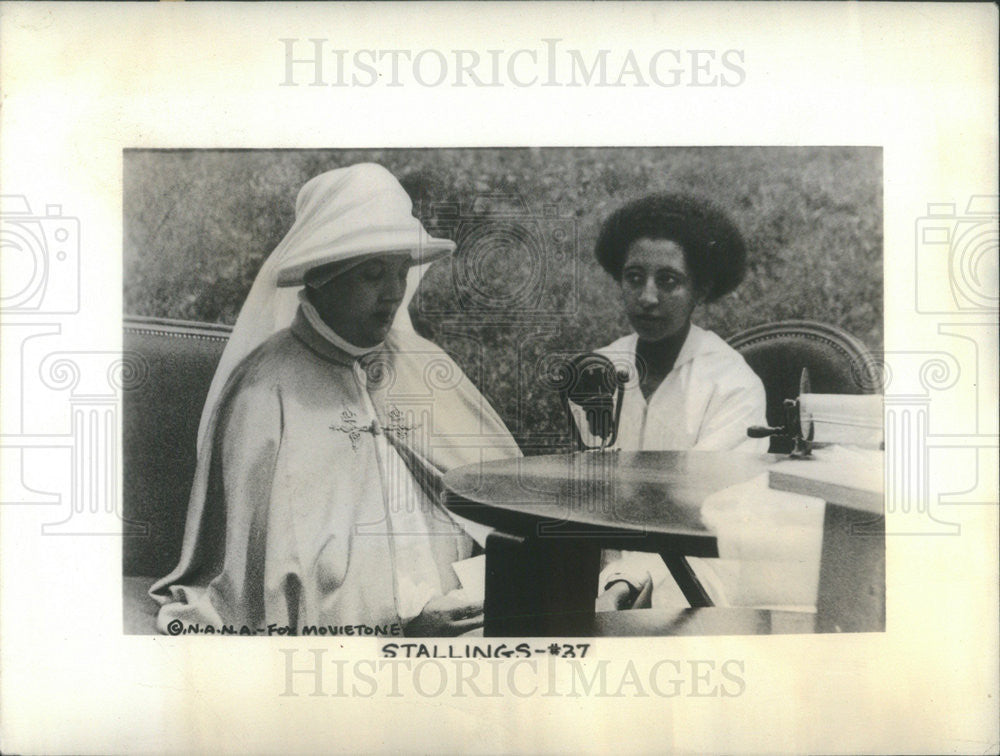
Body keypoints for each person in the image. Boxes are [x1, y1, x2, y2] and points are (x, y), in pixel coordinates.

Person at [150, 164, 521, 636]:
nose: (392, 294)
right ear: (322, 276)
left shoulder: (425, 365)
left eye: (401, 272)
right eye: (371, 274)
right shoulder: (264, 392)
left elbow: (508, 497)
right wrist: (403, 630)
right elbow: (268, 585)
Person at [582, 192, 770, 610]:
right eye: (634, 277)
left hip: (698, 562)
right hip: (606, 559)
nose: (647, 297)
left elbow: (705, 513)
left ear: (700, 289)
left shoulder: (732, 385)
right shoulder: (600, 370)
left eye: (668, 281)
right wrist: (607, 568)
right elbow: (592, 491)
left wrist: (622, 581)